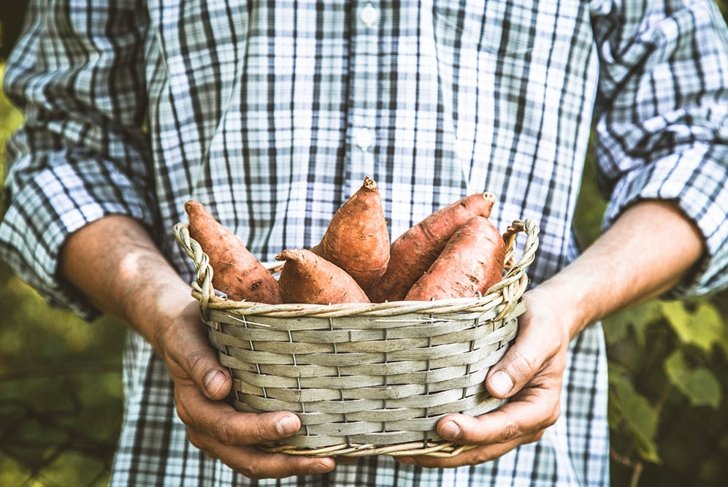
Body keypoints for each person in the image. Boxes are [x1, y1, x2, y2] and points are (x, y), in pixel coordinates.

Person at [1, 0, 727, 485]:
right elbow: (62, 153)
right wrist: (162, 308)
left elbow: (706, 147)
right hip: (192, 459)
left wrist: (566, 305)